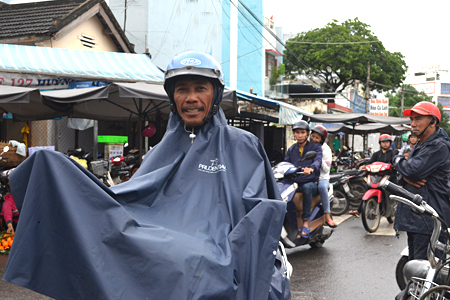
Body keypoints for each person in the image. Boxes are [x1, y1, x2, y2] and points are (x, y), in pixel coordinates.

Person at [3, 51, 290, 300]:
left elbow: (260, 211)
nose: (191, 98)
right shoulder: (158, 152)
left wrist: (230, 251)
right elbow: (127, 201)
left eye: (200, 88)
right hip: (169, 251)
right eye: (182, 90)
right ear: (172, 96)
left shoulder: (242, 144)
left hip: (222, 251)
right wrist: (53, 169)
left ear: (215, 93)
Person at [392, 101, 450, 261]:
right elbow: (405, 175)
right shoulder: (421, 144)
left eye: (418, 119)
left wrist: (397, 159)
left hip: (429, 220)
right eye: (411, 120)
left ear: (433, 121)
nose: (413, 124)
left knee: (425, 273)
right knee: (414, 267)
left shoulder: (438, 146)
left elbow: (412, 170)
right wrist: (404, 176)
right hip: (416, 217)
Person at [284, 120, 323, 238]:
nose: (300, 135)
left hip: (311, 182)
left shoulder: (315, 147)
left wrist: (311, 168)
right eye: (297, 132)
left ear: (307, 134)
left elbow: (318, 160)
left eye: (302, 132)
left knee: (307, 188)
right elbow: (286, 163)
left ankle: (305, 222)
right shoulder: (291, 149)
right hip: (296, 181)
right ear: (294, 134)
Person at [350, 134, 398, 216]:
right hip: (377, 177)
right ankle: (359, 210)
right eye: (383, 142)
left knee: (396, 191)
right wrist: (365, 166)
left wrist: (394, 165)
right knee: (367, 189)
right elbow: (370, 163)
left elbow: (395, 162)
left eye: (387, 142)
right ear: (380, 143)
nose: (385, 144)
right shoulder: (376, 154)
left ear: (390, 143)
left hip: (389, 176)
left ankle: (397, 209)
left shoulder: (394, 152)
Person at [309, 125, 336, 228]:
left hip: (322, 178)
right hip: (308, 176)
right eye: (313, 136)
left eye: (317, 137)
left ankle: (327, 215)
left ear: (321, 139)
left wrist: (318, 158)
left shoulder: (326, 150)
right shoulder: (306, 146)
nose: (314, 139)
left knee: (321, 187)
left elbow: (326, 170)